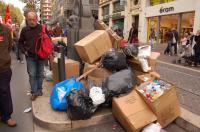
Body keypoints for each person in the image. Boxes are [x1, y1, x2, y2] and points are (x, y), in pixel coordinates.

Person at [19, 11, 48, 101]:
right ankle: (34, 92)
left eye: (34, 19)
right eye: (30, 19)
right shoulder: (25, 30)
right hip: (30, 56)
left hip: (41, 56)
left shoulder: (42, 28)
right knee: (32, 74)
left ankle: (39, 90)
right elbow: (20, 42)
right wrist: (24, 51)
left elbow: (48, 40)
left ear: (37, 19)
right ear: (27, 20)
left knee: (40, 74)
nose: (32, 21)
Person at [0, 22, 17, 127]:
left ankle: (7, 116)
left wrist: (3, 57)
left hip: (3, 67)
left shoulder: (5, 30)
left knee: (4, 92)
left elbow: (10, 46)